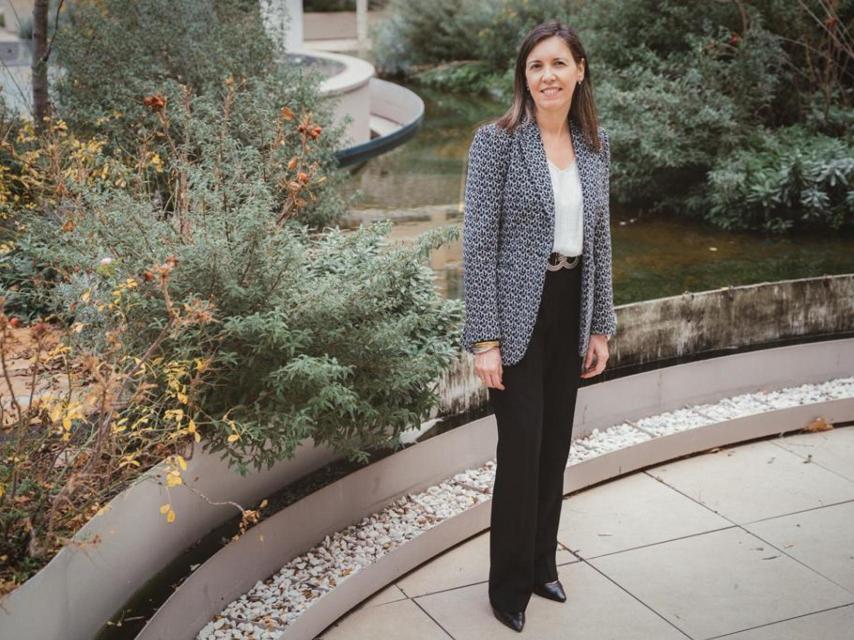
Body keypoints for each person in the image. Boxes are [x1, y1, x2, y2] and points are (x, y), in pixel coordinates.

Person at [460, 20, 617, 633]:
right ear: (524, 78)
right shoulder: (496, 142)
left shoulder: (595, 145)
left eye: (558, 64)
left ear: (579, 70)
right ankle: (508, 586)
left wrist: (600, 325)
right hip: (516, 313)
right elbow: (478, 244)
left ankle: (541, 565)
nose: (547, 76)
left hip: (572, 303)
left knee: (554, 447)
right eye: (536, 66)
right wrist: (485, 339)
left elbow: (600, 240)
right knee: (521, 450)